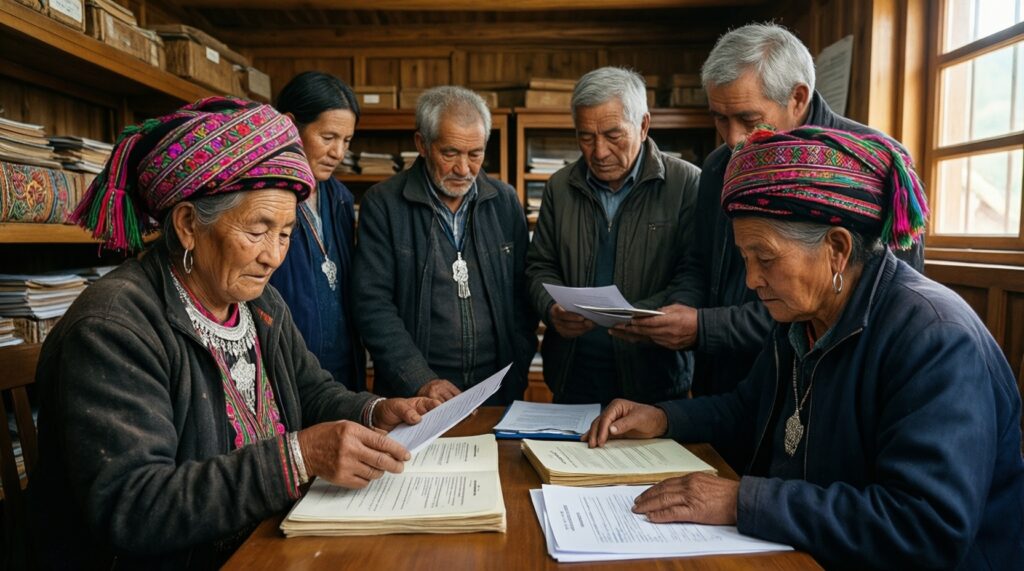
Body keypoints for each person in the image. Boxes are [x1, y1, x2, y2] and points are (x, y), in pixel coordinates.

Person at [584, 126, 1024, 569]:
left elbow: (924, 526)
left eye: (766, 259)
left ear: (836, 248)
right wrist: (662, 417)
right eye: (745, 259)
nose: (753, 280)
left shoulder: (935, 339)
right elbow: (747, 409)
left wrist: (745, 501)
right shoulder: (802, 315)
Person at [29, 97, 436, 569]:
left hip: (261, 542)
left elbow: (310, 391)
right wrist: (299, 458)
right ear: (187, 225)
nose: (273, 257)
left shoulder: (258, 303)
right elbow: (135, 507)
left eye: (285, 234)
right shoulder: (114, 329)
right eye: (258, 230)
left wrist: (375, 411)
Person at [612, 23, 925, 401]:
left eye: (748, 119)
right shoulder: (718, 166)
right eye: (719, 118)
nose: (732, 139)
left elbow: (863, 309)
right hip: (724, 389)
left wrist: (705, 327)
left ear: (797, 98)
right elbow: (700, 261)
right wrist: (678, 310)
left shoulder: (867, 168)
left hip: (818, 390)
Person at [525, 67, 700, 405]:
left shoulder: (687, 185)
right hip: (572, 379)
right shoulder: (560, 188)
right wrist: (551, 309)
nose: (599, 151)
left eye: (612, 135)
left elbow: (693, 275)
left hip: (656, 381)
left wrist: (636, 315)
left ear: (644, 125)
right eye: (585, 137)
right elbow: (538, 266)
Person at [352, 86, 536, 404]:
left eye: (475, 154)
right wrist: (420, 380)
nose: (463, 169)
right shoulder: (384, 204)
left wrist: (516, 367)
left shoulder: (504, 201)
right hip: (415, 398)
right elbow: (372, 305)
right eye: (450, 153)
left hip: (497, 391)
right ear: (422, 144)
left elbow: (524, 294)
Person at [271, 71, 364, 390]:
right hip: (287, 371)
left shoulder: (339, 199)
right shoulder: (266, 200)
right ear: (290, 126)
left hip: (343, 369)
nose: (339, 152)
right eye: (328, 137)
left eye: (347, 141)